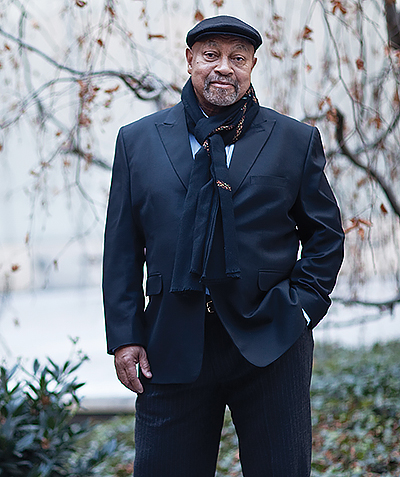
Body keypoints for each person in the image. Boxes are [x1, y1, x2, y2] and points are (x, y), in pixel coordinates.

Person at [103, 15, 344, 477]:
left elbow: (325, 236)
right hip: (170, 345)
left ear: (253, 65)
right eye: (211, 55)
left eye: (238, 58)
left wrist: (301, 308)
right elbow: (121, 249)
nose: (224, 68)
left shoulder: (294, 140)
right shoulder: (137, 142)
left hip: (272, 341)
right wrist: (126, 337)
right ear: (190, 59)